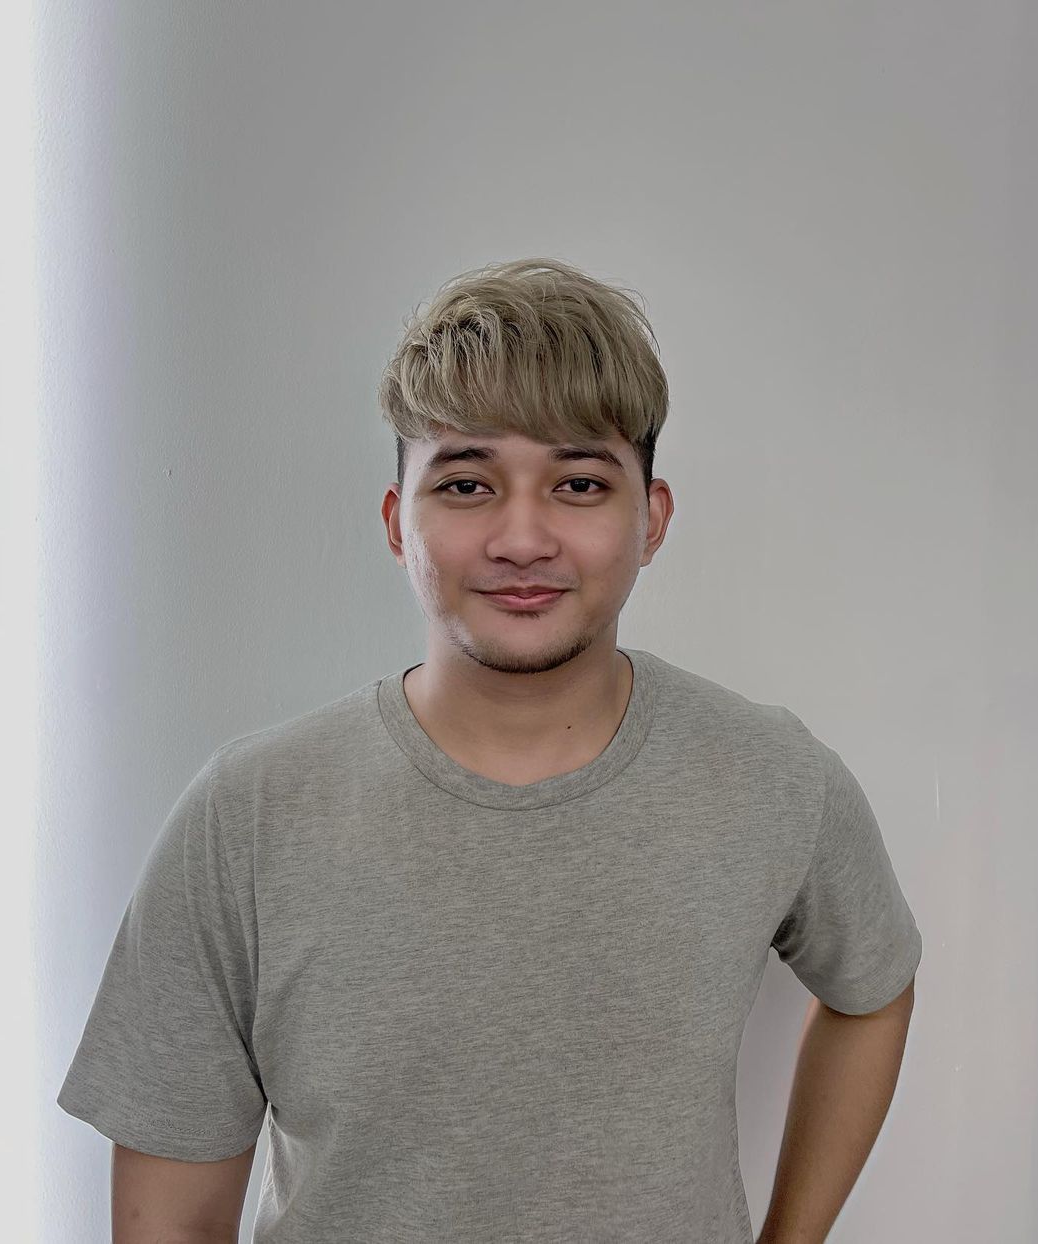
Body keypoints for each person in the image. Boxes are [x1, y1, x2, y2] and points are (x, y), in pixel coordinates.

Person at [58, 257, 921, 1243]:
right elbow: (169, 1222)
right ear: (399, 522)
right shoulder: (247, 816)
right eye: (467, 483)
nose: (521, 537)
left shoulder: (773, 775)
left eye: (579, 483)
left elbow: (874, 992)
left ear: (651, 520)